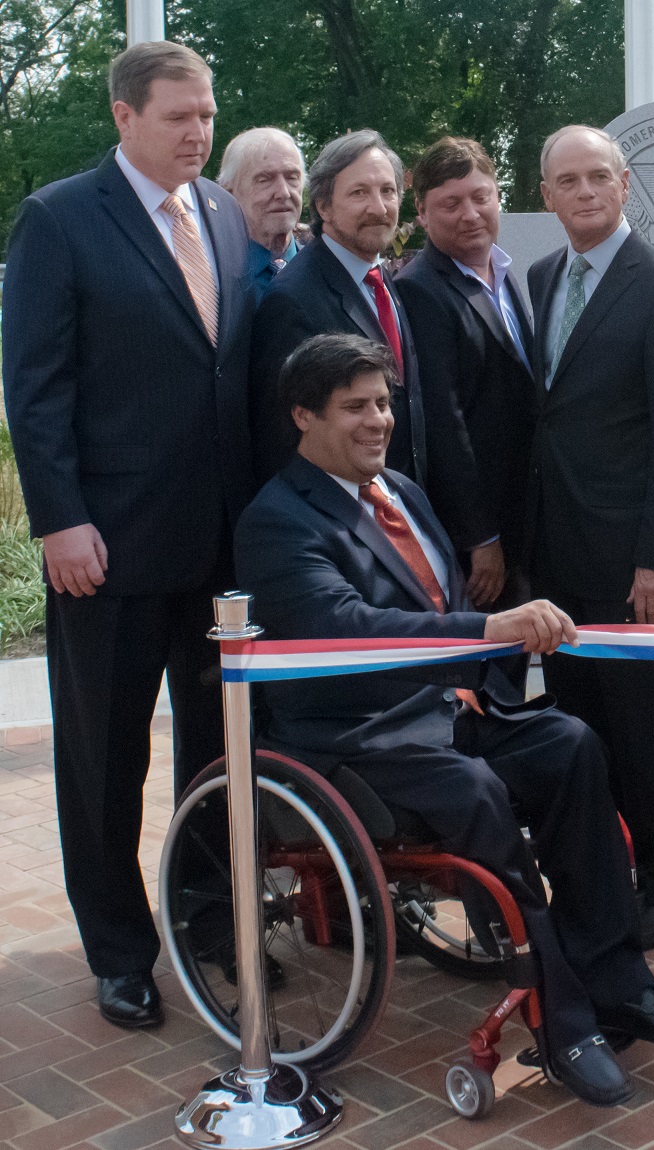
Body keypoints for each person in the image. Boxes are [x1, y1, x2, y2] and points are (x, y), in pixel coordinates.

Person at [234, 333, 654, 1107]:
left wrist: (482, 648)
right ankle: (563, 1025)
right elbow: (347, 627)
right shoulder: (278, 521)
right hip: (360, 734)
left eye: (384, 403)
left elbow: (443, 604)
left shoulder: (404, 492)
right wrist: (485, 631)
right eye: (353, 407)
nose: (376, 421)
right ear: (302, 417)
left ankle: (620, 982)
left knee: (570, 743)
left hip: (449, 709)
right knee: (478, 793)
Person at [1, 41, 254, 1028]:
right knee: (105, 757)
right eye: (177, 116)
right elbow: (37, 386)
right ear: (123, 116)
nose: (198, 132)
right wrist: (61, 518)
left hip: (221, 548)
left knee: (214, 750)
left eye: (206, 113)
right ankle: (116, 948)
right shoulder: (61, 220)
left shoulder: (225, 215)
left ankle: (204, 920)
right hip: (104, 550)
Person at [527, 125, 654, 948]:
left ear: (627, 184)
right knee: (581, 724)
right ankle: (605, 870)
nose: (586, 192)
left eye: (600, 176)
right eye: (568, 180)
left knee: (650, 725)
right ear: (548, 196)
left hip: (633, 561)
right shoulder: (538, 280)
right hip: (556, 552)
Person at [249, 129, 484, 567]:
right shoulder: (294, 300)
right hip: (345, 541)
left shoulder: (383, 282)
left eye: (388, 191)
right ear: (323, 206)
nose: (379, 208)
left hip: (402, 522)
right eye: (359, 193)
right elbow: (282, 439)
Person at [395, 137, 535, 668]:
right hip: (477, 542)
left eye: (481, 197)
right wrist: (481, 536)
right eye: (450, 204)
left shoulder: (505, 276)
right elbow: (443, 421)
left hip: (520, 522)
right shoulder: (422, 290)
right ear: (423, 215)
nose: (470, 214)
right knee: (486, 683)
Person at [217, 126, 306, 298]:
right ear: (229, 194)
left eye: (292, 177)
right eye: (264, 180)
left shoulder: (328, 273)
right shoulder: (213, 280)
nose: (284, 193)